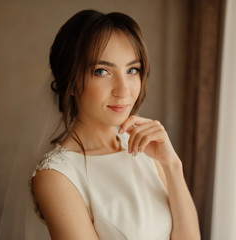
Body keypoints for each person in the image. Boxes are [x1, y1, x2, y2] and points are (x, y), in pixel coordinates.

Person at [28, 9, 200, 239]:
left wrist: (172, 165)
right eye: (102, 71)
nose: (124, 90)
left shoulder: (147, 150)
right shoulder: (56, 176)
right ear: (69, 82)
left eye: (132, 70)